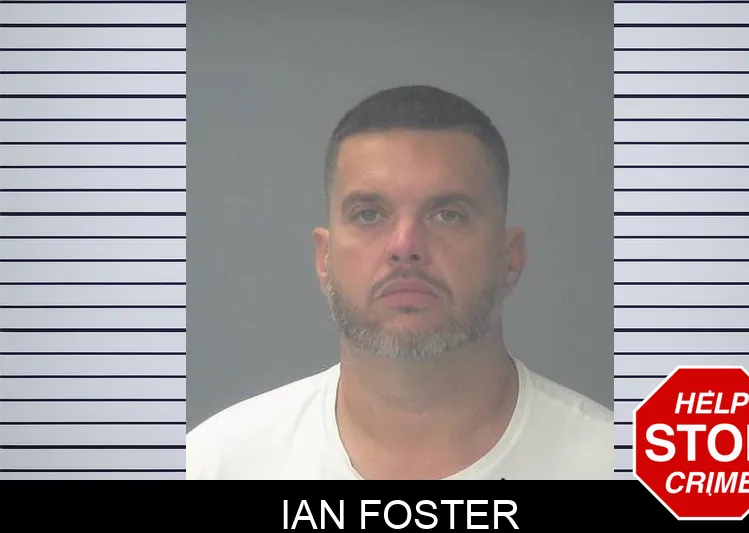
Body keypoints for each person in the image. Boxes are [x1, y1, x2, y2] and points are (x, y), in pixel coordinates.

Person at [186, 84, 613, 480]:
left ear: (510, 258)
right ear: (324, 258)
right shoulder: (216, 464)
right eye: (369, 214)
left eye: (448, 215)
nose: (405, 246)